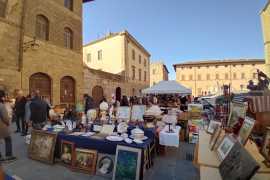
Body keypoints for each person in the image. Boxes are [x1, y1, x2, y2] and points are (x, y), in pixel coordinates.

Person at [0, 90, 16, 162]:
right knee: (8, 139)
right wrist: (8, 123)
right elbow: (5, 117)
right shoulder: (1, 105)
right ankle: (9, 155)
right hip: (2, 126)